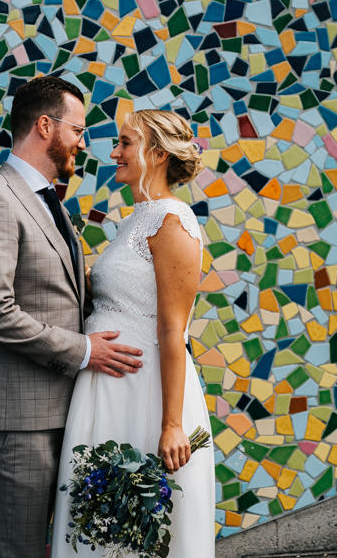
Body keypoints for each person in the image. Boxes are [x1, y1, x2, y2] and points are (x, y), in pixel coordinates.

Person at [0, 75, 144, 558]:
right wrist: (85, 350)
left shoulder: (48, 202)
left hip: (65, 411)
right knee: (17, 550)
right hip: (17, 419)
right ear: (45, 126)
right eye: (78, 130)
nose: (83, 142)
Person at [51, 109, 215, 557]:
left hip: (143, 393)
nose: (115, 152)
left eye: (126, 143)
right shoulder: (135, 220)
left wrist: (172, 424)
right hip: (104, 388)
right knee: (100, 528)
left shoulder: (173, 222)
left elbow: (171, 329)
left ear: (158, 154)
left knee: (140, 529)